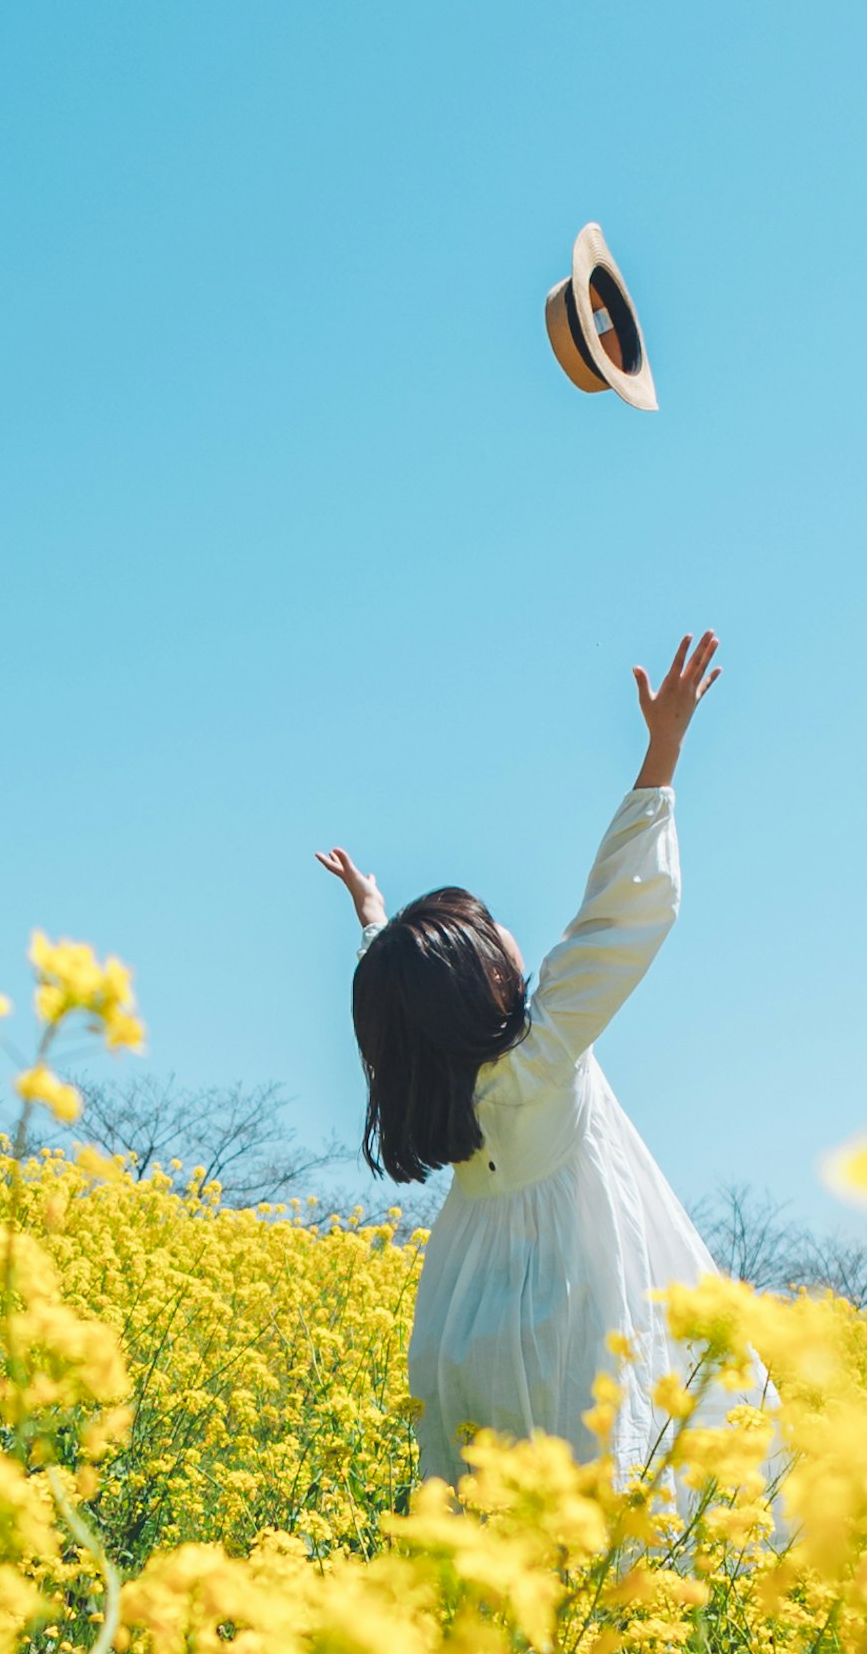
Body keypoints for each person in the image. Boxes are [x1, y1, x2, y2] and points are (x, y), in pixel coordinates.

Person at [320, 632, 765, 1502]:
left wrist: (374, 919)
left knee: (491, 1533)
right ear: (487, 978)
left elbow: (399, 997)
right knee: (606, 1505)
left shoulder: (438, 1076)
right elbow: (618, 917)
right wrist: (662, 752)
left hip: (462, 1326)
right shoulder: (540, 1054)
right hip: (570, 1314)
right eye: (496, 936)